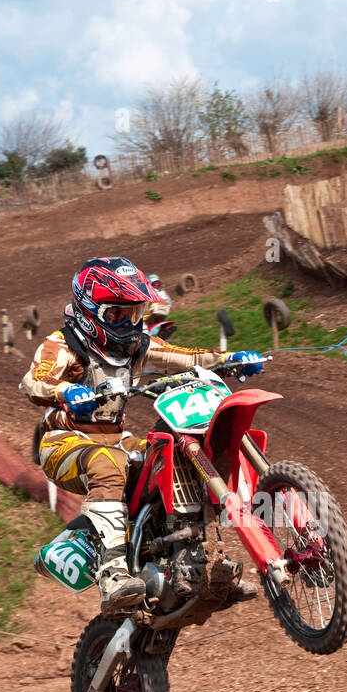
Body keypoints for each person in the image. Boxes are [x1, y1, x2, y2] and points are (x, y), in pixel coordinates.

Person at [21, 256, 263, 610]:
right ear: (91, 310)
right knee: (108, 463)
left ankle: (193, 560)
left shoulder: (136, 344)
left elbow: (185, 356)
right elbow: (34, 381)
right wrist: (65, 393)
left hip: (117, 439)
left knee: (173, 450)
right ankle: (113, 573)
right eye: (119, 314)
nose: (129, 321)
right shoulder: (62, 345)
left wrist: (229, 359)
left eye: (135, 312)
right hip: (64, 444)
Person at [144, 272, 172, 336]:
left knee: (143, 324)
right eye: (155, 283)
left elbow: (144, 303)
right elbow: (169, 302)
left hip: (153, 311)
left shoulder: (149, 292)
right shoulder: (163, 292)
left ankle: (146, 335)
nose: (156, 285)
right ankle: (161, 333)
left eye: (157, 283)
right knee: (156, 323)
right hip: (164, 311)